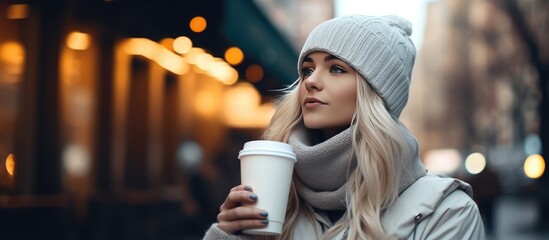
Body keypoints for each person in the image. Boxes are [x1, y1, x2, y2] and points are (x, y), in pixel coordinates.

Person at [203, 15, 486, 239]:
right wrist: (228, 236)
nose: (311, 81)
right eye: (307, 69)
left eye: (337, 68)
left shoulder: (449, 212)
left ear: (376, 93)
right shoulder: (278, 196)